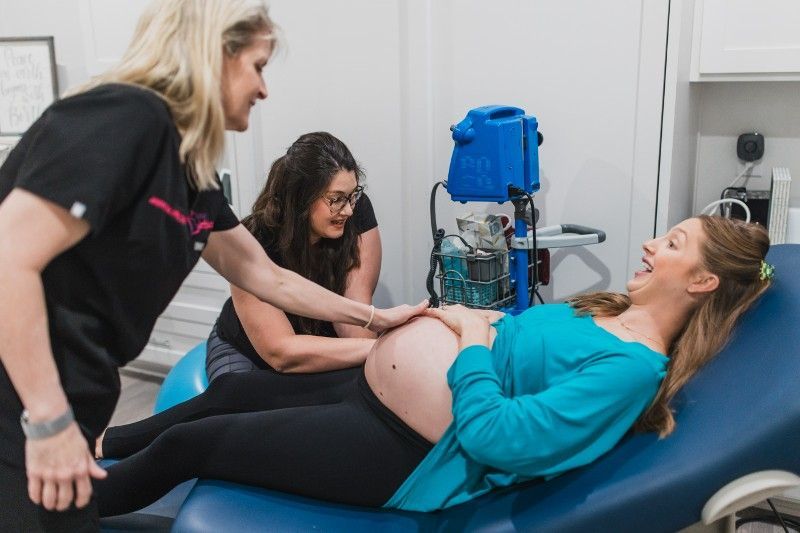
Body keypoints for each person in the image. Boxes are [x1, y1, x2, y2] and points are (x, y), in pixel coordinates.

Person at [0, 1, 425, 530]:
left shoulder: (188, 174)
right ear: (215, 56)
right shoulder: (124, 116)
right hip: (18, 399)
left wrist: (374, 319)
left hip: (77, 392)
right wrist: (47, 421)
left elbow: (269, 277)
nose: (264, 89)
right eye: (259, 66)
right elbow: (8, 258)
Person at [94, 215, 772, 515]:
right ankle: (98, 447)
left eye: (675, 242)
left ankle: (55, 515)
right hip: (371, 389)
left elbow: (499, 436)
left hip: (404, 450)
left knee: (193, 443)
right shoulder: (605, 311)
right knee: (224, 397)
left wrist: (472, 336)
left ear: (704, 282)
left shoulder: (632, 370)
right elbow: (515, 351)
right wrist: (450, 325)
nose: (654, 243)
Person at [206, 131, 381, 383]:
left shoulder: (356, 212)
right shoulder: (254, 238)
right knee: (239, 405)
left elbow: (356, 313)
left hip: (315, 335)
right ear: (301, 198)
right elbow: (281, 352)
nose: (349, 209)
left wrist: (372, 364)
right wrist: (379, 349)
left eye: (353, 195)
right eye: (336, 199)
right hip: (249, 347)